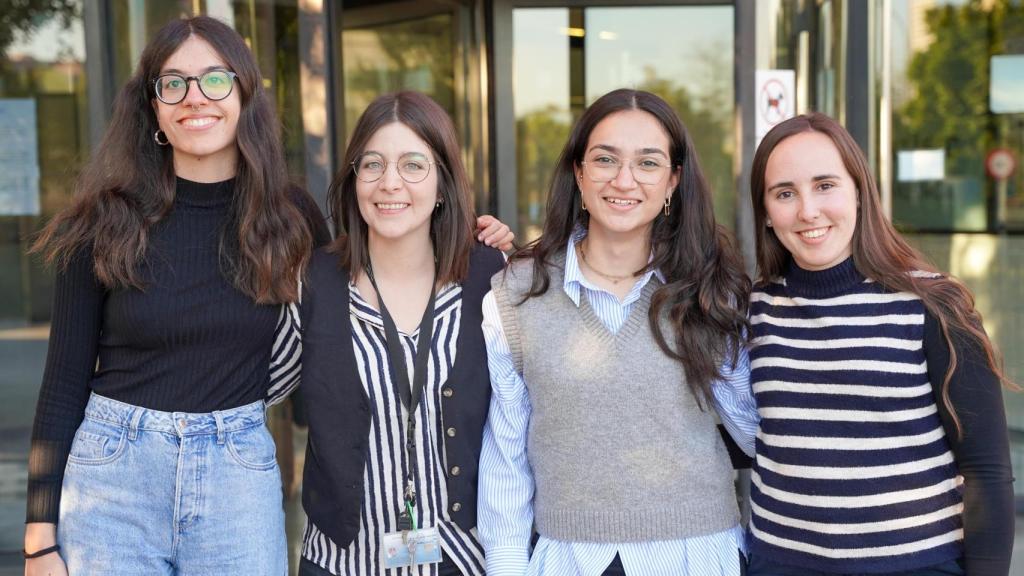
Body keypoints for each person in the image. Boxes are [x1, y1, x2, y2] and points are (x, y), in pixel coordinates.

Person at [21, 15, 513, 576]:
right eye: (172, 83)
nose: (193, 98)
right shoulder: (101, 222)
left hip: (236, 473)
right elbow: (62, 385)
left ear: (244, 92)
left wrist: (475, 241)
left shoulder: (290, 218)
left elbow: (333, 343)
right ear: (152, 105)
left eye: (215, 79)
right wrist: (39, 539)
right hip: (114, 478)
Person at [477, 88, 759, 576]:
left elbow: (757, 434)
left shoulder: (711, 293)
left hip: (700, 557)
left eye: (648, 164)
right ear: (579, 174)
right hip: (569, 560)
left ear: (673, 182)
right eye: (605, 159)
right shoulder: (516, 295)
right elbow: (506, 459)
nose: (624, 180)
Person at [745, 112, 1015, 576]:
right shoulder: (752, 310)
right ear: (767, 214)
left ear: (859, 191)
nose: (807, 210)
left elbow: (987, 472)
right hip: (780, 562)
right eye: (784, 193)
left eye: (825, 185)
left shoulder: (933, 304)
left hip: (916, 563)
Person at [297, 91, 505, 576]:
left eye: (413, 165)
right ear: (353, 181)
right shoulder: (311, 282)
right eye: (372, 165)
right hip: (344, 561)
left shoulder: (492, 278)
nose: (390, 183)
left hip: (466, 559)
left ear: (443, 184)